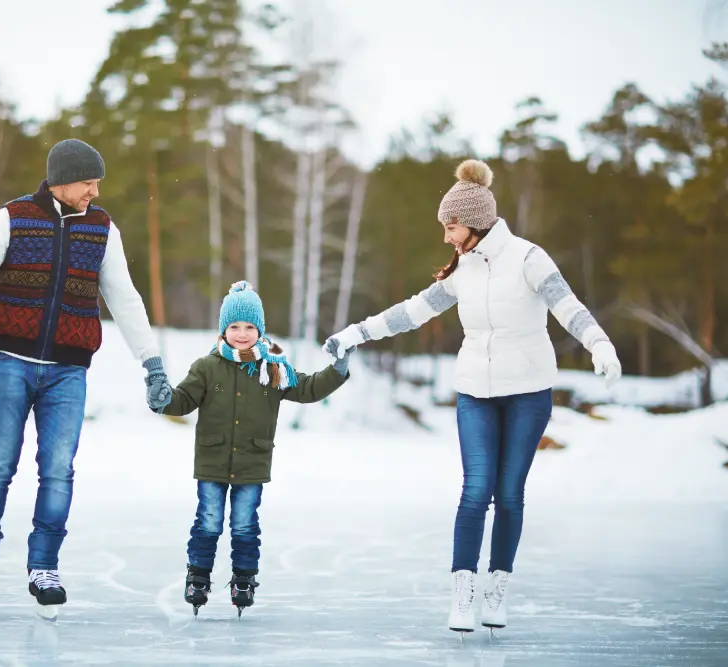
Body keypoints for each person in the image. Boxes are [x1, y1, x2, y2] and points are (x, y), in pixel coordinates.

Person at [323, 159, 622, 634]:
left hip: (527, 393)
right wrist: (355, 333)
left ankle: (496, 588)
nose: (447, 236)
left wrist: (600, 344)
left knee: (509, 494)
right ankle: (462, 595)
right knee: (475, 490)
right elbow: (412, 312)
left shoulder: (528, 258)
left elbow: (568, 307)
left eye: (452, 226)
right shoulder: (463, 269)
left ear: (477, 222)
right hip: (475, 393)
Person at [0, 138, 173, 616]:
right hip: (9, 361)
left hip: (68, 371)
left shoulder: (103, 230)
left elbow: (125, 298)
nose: (95, 192)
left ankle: (44, 567)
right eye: (89, 182)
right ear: (64, 179)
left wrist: (152, 362)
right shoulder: (13, 217)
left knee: (58, 471)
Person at [156, 281, 353, 617]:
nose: (242, 333)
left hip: (252, 462)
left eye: (249, 327)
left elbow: (306, 388)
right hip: (213, 459)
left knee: (245, 525)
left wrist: (338, 370)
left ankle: (244, 578)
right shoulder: (207, 366)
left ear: (260, 329)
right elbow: (183, 400)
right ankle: (198, 575)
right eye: (234, 326)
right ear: (223, 329)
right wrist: (162, 398)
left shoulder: (272, 367)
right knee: (209, 522)